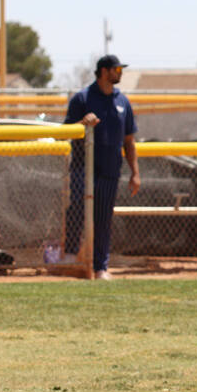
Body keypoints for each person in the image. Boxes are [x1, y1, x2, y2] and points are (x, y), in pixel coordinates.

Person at [62, 54, 140, 280]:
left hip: (110, 169)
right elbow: (66, 131)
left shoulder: (122, 101)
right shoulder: (82, 98)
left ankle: (100, 267)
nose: (120, 73)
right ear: (104, 71)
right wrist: (82, 123)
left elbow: (129, 141)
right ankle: (69, 258)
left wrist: (135, 173)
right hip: (83, 167)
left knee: (103, 219)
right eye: (117, 69)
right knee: (77, 210)